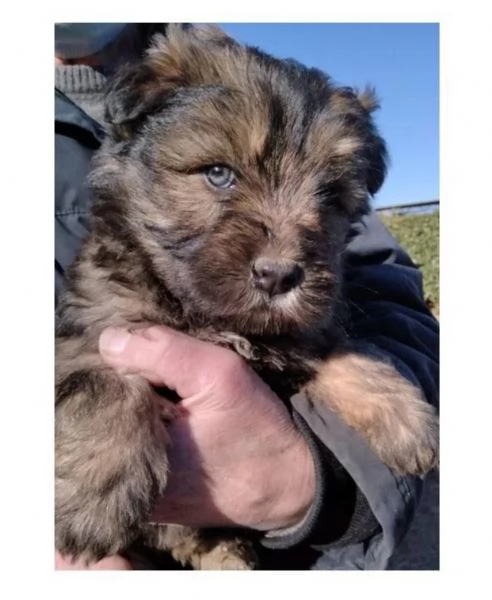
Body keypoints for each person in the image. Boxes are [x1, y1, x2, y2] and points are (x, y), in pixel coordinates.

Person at [55, 23, 439, 570]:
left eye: (327, 196)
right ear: (131, 142)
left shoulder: (228, 67)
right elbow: (73, 362)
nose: (284, 249)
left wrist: (316, 472)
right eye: (219, 175)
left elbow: (389, 307)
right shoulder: (113, 280)